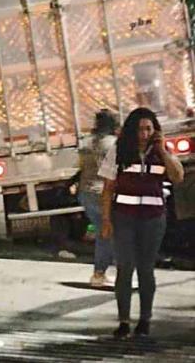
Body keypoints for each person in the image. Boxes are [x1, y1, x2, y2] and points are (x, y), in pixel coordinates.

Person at [100, 107, 184, 339]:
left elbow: (178, 176)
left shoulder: (161, 152)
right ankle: (124, 321)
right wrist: (106, 220)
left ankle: (144, 321)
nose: (144, 134)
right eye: (140, 129)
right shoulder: (118, 151)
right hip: (124, 218)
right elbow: (107, 189)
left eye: (149, 129)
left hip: (153, 219)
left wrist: (163, 150)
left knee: (146, 270)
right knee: (125, 268)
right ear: (131, 131)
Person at [78, 109, 118, 287]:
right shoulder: (113, 144)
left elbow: (80, 167)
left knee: (105, 233)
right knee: (116, 233)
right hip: (103, 194)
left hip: (86, 193)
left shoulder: (87, 144)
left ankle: (99, 274)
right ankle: (115, 274)